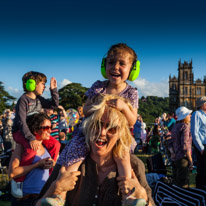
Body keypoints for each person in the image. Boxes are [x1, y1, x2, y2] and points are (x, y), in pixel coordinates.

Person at [35, 94, 154, 206]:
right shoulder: (71, 160)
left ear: (121, 134)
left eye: (111, 128)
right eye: (97, 124)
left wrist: (143, 195)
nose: (102, 132)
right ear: (88, 126)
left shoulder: (133, 165)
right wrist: (55, 188)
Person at [58, 43, 140, 185]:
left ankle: (128, 191)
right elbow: (86, 110)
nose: (115, 67)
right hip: (90, 133)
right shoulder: (98, 87)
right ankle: (61, 191)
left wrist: (124, 108)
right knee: (75, 153)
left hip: (117, 136)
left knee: (123, 156)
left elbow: (132, 121)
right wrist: (98, 104)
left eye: (122, 64)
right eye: (111, 62)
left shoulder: (131, 92)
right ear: (104, 66)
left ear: (132, 70)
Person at [12, 71, 60, 182]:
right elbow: (21, 122)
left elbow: (54, 104)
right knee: (31, 149)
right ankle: (20, 180)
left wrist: (53, 90)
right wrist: (31, 139)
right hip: (20, 132)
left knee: (55, 144)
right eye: (43, 84)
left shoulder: (39, 99)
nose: (44, 87)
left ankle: (50, 174)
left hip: (34, 132)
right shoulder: (23, 100)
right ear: (32, 84)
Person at [9, 112, 60, 206]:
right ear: (35, 130)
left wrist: (53, 164)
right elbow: (12, 173)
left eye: (51, 127)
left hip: (44, 197)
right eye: (46, 128)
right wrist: (37, 164)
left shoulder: (48, 147)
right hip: (26, 199)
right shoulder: (22, 147)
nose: (50, 131)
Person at [171, 106, 193, 188]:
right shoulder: (185, 127)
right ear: (185, 117)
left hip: (175, 157)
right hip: (183, 158)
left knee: (177, 182)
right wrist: (191, 160)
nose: (190, 116)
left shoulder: (175, 126)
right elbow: (185, 145)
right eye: (189, 114)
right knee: (183, 184)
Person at [191, 96, 206, 189]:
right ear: (203, 104)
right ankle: (199, 191)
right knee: (203, 171)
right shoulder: (196, 114)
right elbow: (194, 133)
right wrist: (201, 148)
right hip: (202, 146)